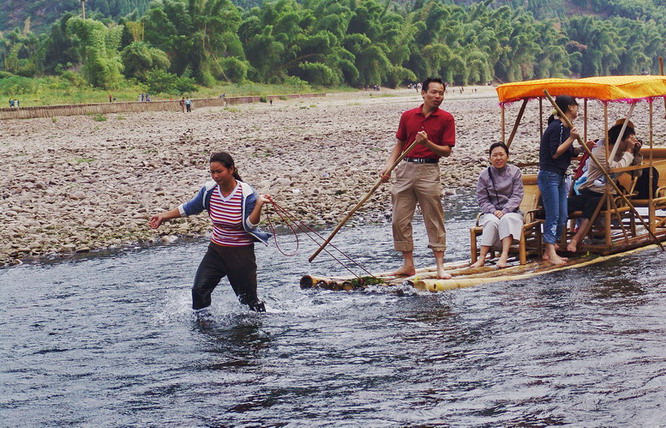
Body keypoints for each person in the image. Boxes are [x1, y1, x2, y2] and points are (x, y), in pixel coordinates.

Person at [148, 152, 272, 313]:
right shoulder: (209, 190)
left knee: (249, 302)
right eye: (212, 172)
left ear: (231, 169)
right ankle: (203, 326)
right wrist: (163, 216)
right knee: (199, 291)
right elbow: (190, 207)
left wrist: (259, 205)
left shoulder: (247, 194)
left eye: (219, 171)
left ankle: (261, 324)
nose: (215, 176)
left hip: (241, 254)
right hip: (216, 251)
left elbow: (249, 226)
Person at [380, 77, 455, 279]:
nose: (438, 96)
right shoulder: (408, 116)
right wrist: (388, 167)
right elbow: (399, 143)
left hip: (429, 171)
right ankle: (408, 264)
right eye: (434, 92)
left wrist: (428, 143)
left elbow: (446, 151)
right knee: (399, 219)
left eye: (441, 93)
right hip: (404, 169)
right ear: (423, 93)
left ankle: (440, 266)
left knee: (434, 218)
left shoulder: (446, 118)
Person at [567, 120, 643, 252]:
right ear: (622, 140)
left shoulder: (625, 154)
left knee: (594, 204)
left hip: (608, 194)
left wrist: (635, 153)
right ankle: (556, 238)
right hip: (590, 191)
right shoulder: (600, 152)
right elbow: (614, 168)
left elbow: (637, 173)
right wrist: (629, 152)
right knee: (565, 204)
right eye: (630, 139)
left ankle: (575, 240)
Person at [538, 95, 580, 265]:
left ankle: (550, 247)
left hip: (560, 176)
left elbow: (567, 151)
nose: (577, 109)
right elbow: (555, 152)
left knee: (563, 215)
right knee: (553, 215)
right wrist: (572, 138)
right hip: (550, 175)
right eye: (576, 106)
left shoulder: (565, 127)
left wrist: (580, 148)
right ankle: (549, 252)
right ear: (570, 107)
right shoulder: (556, 127)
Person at [471, 142, 524, 268]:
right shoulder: (484, 175)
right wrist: (493, 211)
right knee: (490, 221)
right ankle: (482, 257)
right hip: (492, 212)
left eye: (501, 155)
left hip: (512, 212)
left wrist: (505, 210)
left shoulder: (515, 172)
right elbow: (482, 199)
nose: (498, 158)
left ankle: (504, 255)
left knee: (507, 219)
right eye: (495, 155)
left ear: (507, 156)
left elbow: (517, 195)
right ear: (490, 158)